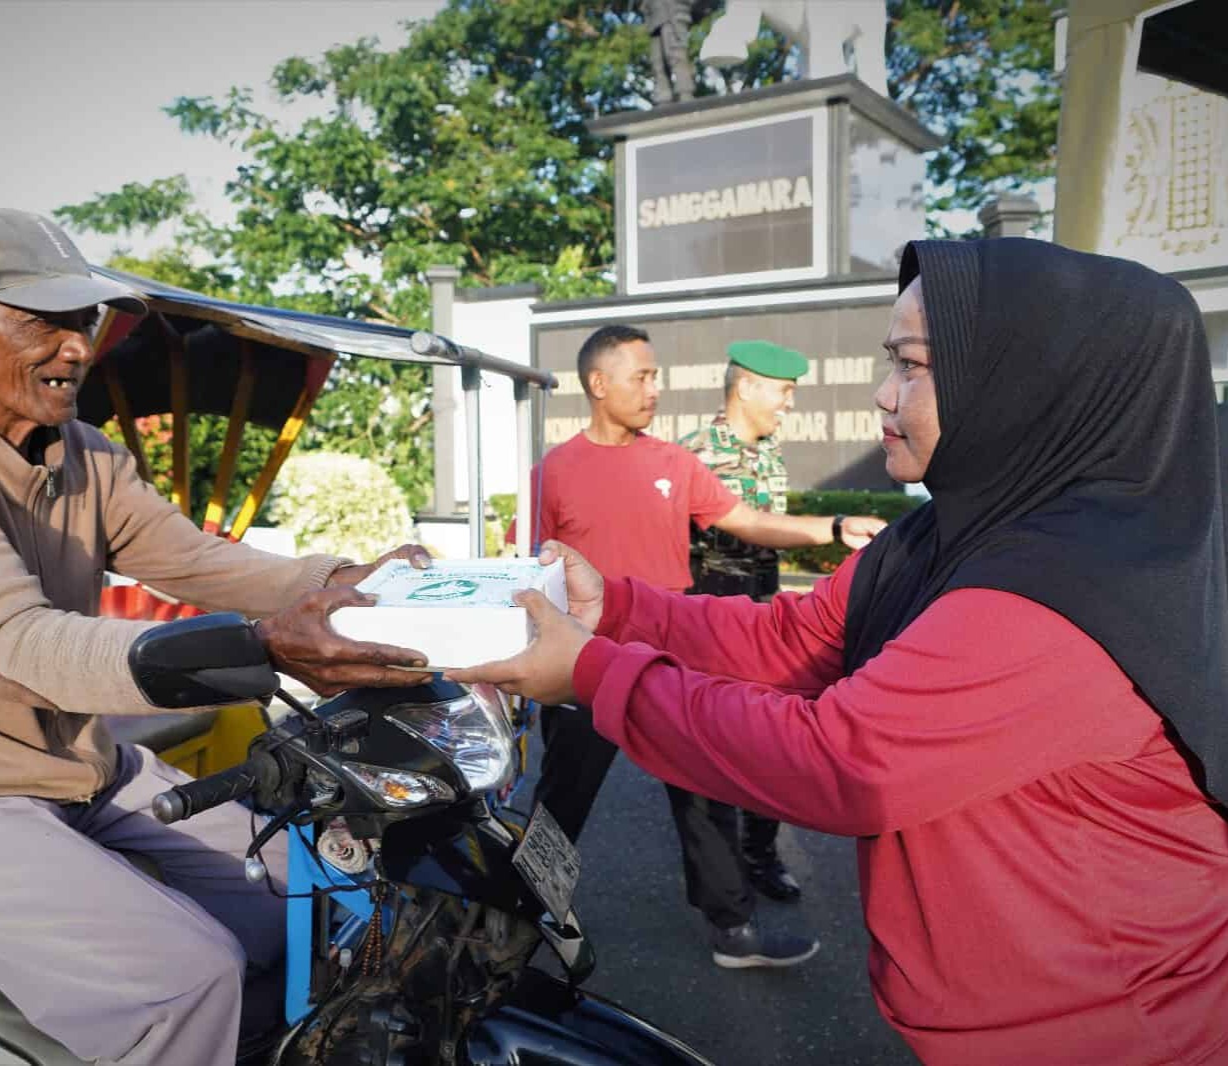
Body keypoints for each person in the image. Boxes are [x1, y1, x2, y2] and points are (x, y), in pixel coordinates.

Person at [452, 238, 1228, 1064]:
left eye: (914, 365)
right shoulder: (947, 533)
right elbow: (790, 637)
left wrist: (589, 671)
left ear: (1031, 380)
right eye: (889, 360)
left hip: (1116, 1036)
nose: (881, 393)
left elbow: (840, 761)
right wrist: (613, 609)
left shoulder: (1067, 586)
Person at [0, 208, 432, 1066]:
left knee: (316, 901)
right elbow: (24, 642)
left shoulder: (87, 456)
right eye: (43, 321)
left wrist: (342, 582)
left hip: (81, 770)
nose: (76, 347)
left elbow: (196, 561)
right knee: (188, 978)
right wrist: (259, 646)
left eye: (83, 320)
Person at [527, 323, 884, 968]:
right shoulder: (552, 471)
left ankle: (734, 931)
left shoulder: (674, 463)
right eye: (641, 376)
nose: (654, 388)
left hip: (671, 652)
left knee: (706, 792)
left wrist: (832, 526)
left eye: (656, 375)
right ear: (597, 384)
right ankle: (516, 923)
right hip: (581, 657)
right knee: (560, 799)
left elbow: (746, 520)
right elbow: (534, 569)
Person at [679, 340, 822, 907]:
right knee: (716, 749)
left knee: (772, 741)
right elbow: (745, 529)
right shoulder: (693, 455)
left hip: (765, 612)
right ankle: (724, 876)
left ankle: (761, 854)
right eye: (783, 391)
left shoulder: (768, 451)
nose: (788, 403)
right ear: (746, 388)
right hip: (713, 613)